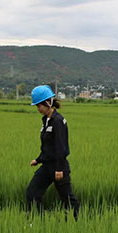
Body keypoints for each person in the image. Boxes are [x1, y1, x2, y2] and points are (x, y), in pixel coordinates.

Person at [26, 85, 80, 220]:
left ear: (48, 103)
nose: (38, 109)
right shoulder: (46, 120)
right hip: (47, 167)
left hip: (59, 167)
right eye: (36, 106)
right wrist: (38, 160)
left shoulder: (58, 121)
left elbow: (61, 147)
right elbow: (47, 146)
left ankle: (76, 222)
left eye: (39, 106)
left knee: (67, 198)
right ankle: (38, 221)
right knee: (32, 192)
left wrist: (59, 168)